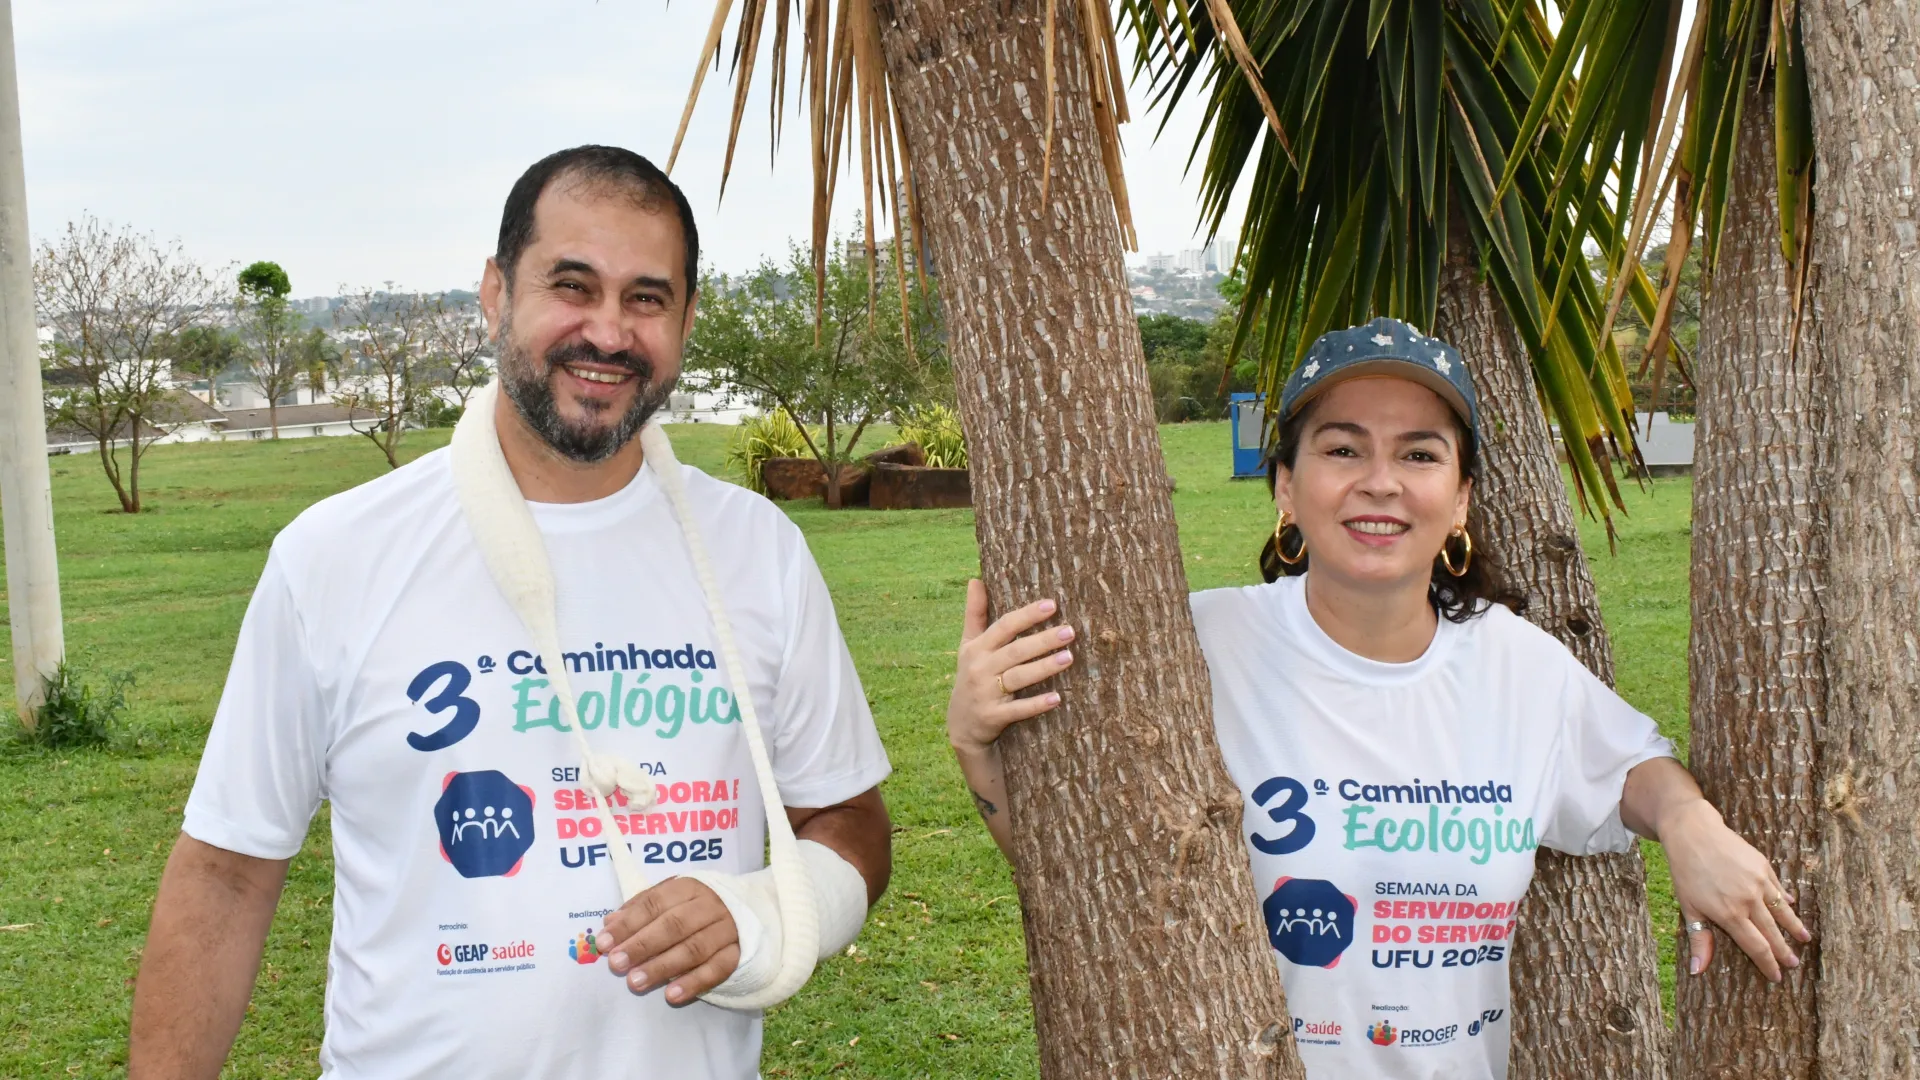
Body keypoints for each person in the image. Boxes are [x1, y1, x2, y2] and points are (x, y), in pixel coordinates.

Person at [129, 146, 892, 1079]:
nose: (608, 332)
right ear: (495, 293)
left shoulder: (758, 551)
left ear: (687, 320)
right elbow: (226, 872)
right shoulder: (336, 556)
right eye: (573, 286)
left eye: (647, 299)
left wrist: (763, 909)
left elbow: (849, 818)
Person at [945, 317, 1809, 1078]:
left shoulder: (1516, 667)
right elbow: (1087, 873)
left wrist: (1690, 823)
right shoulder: (1197, 648)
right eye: (1343, 448)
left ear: (1461, 498)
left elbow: (1631, 769)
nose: (1380, 481)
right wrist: (976, 747)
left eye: (1419, 454)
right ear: (1286, 486)